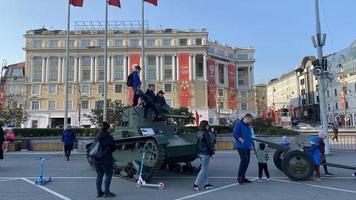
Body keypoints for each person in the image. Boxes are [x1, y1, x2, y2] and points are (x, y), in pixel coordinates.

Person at [94, 122, 116, 198]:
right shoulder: (108, 136)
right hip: (106, 159)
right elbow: (114, 147)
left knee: (99, 175)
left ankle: (99, 192)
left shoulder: (97, 135)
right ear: (107, 128)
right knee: (108, 175)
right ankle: (107, 192)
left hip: (97, 158)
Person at [194, 120, 215, 191]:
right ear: (206, 126)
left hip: (199, 153)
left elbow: (196, 143)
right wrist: (212, 153)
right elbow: (209, 144)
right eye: (207, 125)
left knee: (204, 168)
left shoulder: (198, 132)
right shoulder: (206, 133)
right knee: (204, 169)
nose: (208, 126)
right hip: (205, 153)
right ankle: (196, 184)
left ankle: (206, 184)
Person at [233, 113, 254, 184]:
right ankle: (239, 177)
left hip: (247, 146)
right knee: (244, 160)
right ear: (247, 118)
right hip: (241, 146)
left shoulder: (248, 125)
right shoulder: (238, 124)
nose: (251, 121)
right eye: (250, 119)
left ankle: (243, 176)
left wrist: (250, 145)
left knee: (247, 161)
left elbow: (249, 135)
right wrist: (241, 139)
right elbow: (235, 134)